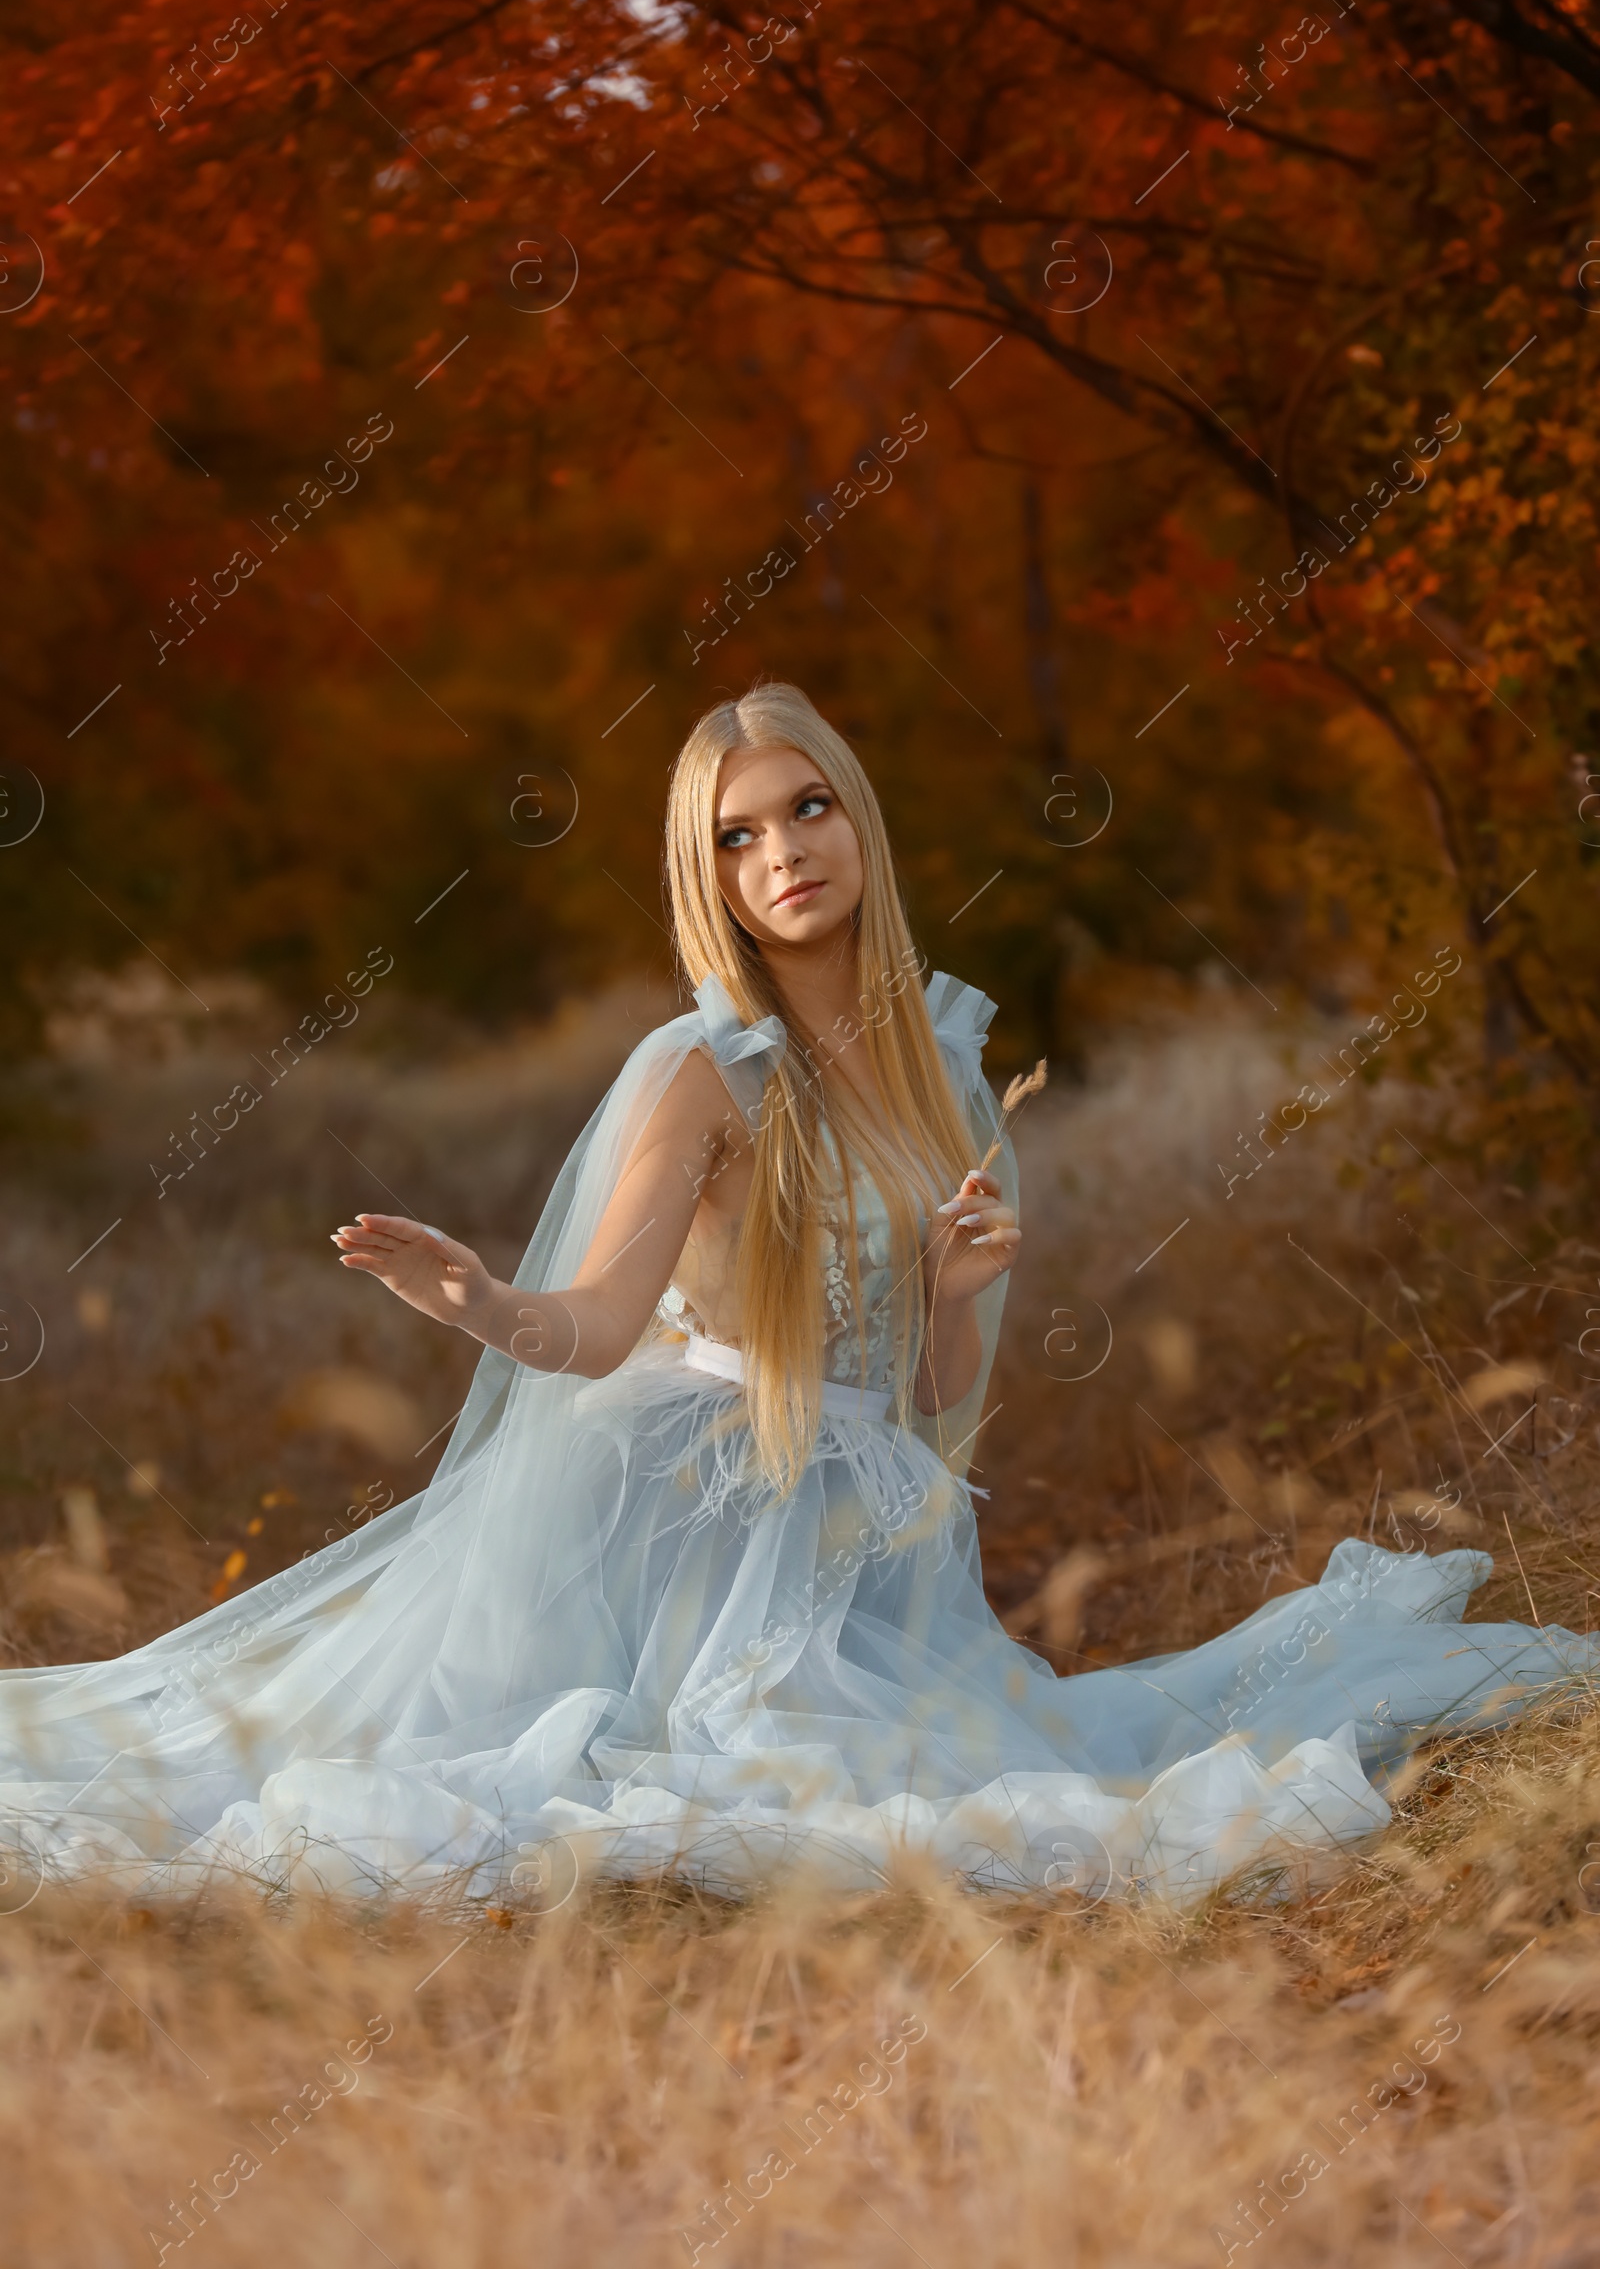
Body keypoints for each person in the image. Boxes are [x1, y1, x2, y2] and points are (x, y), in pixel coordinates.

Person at [0, 684, 1589, 1904]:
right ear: (710, 876)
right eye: (737, 838)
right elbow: (596, 1330)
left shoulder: (946, 1071)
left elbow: (918, 1388)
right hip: (678, 1504)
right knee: (618, 1779)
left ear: (859, 820)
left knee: (1006, 1762)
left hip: (860, 1521)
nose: (784, 856)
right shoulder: (700, 1069)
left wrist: (962, 1294)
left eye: (807, 808)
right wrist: (481, 1299)